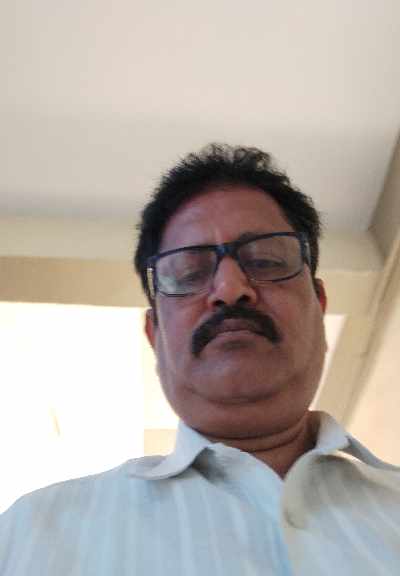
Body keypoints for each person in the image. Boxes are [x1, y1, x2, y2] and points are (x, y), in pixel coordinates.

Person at [1, 144, 399, 575]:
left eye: (266, 261)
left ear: (319, 307)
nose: (230, 289)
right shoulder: (29, 534)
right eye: (190, 273)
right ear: (154, 334)